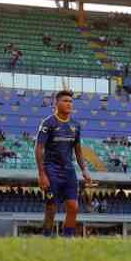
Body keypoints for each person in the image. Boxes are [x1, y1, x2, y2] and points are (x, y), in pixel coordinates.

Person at [35, 90, 94, 238]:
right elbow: (38, 148)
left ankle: (67, 239)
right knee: (51, 207)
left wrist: (84, 170)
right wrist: (41, 174)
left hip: (68, 171)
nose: (69, 104)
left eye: (70, 101)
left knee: (73, 207)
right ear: (56, 103)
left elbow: (78, 151)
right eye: (65, 101)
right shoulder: (48, 123)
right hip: (51, 170)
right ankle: (46, 238)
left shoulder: (76, 125)